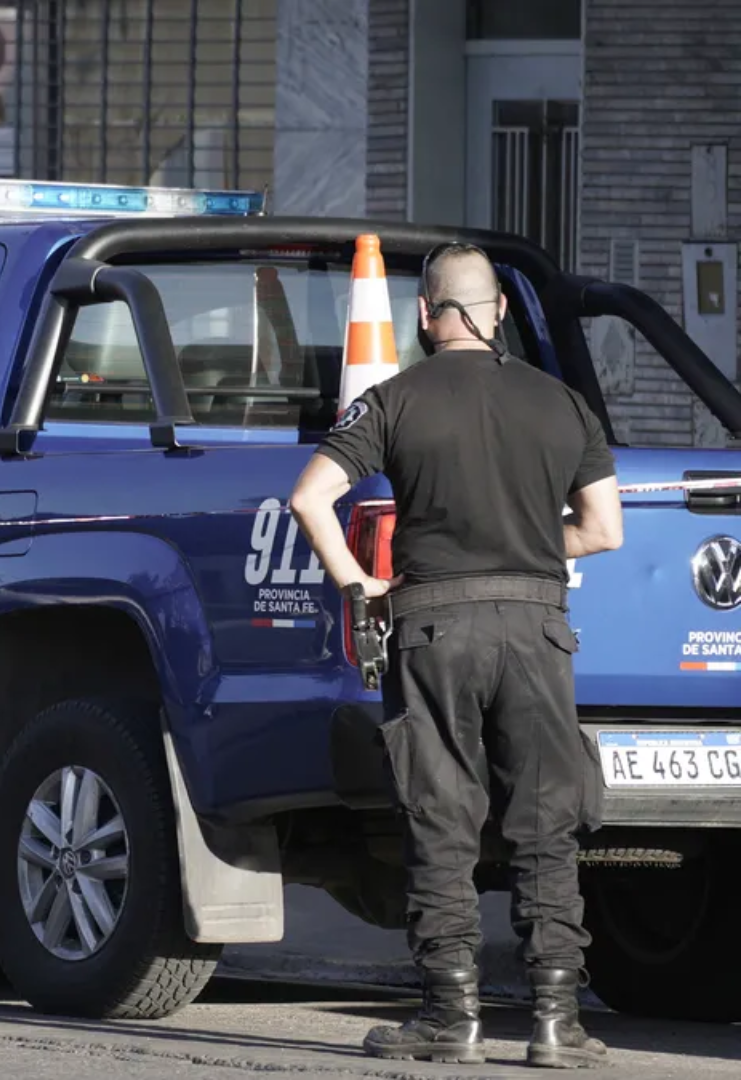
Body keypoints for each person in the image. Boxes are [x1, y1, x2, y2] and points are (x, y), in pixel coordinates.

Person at [288, 243, 623, 1069]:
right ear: (499, 310)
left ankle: (450, 1018)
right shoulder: (563, 404)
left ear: (425, 317)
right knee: (546, 823)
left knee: (443, 819)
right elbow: (606, 530)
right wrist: (536, 549)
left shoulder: (395, 400)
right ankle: (554, 1021)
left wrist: (359, 580)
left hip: (435, 625)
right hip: (538, 626)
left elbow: (309, 497)